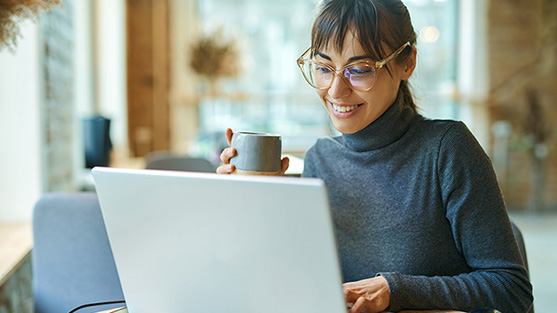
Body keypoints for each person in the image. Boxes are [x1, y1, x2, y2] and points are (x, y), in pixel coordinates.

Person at [217, 0, 533, 312]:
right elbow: (303, 282)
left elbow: (511, 288)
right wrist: (262, 206)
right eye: (324, 68)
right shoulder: (321, 160)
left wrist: (395, 290)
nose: (335, 91)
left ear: (407, 62)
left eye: (359, 70)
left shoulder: (447, 150)